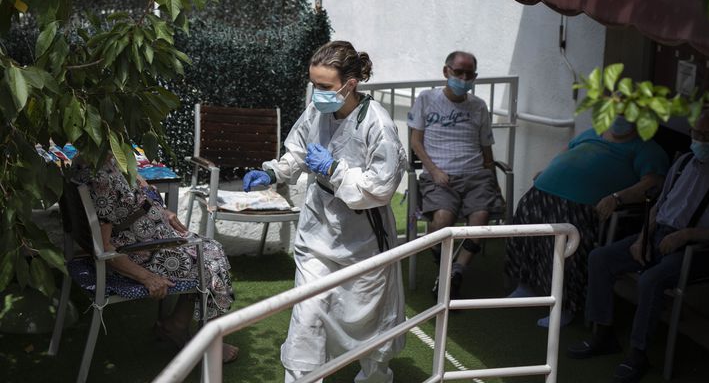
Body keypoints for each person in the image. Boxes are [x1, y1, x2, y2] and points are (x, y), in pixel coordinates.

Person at [243, 40, 407, 383]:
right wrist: (274, 172)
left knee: (368, 318)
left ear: (350, 83)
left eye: (325, 86)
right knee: (308, 313)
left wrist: (335, 170)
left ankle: (374, 376)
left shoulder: (377, 123)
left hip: (363, 237)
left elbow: (382, 186)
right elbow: (298, 150)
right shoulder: (317, 110)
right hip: (318, 230)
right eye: (313, 84)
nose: (317, 93)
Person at [568, 109, 709, 383]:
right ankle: (603, 333)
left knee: (651, 280)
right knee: (600, 257)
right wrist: (642, 238)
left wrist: (686, 234)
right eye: (697, 133)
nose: (701, 140)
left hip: (699, 249)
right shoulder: (683, 162)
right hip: (659, 235)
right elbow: (659, 206)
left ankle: (638, 353)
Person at [506, 115, 669, 327]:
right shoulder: (592, 133)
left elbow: (652, 184)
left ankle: (565, 305)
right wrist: (549, 169)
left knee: (565, 244)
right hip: (543, 193)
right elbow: (566, 152)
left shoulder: (647, 148)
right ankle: (526, 286)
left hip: (581, 206)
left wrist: (617, 197)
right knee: (526, 229)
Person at [74, 155, 239, 362]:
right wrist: (147, 278)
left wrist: (161, 209)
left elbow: (136, 178)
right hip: (136, 250)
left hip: (149, 236)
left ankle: (176, 325)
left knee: (209, 250)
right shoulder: (100, 178)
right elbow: (105, 249)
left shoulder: (102, 157)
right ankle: (209, 342)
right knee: (210, 263)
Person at [407, 50, 501, 298]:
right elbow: (416, 142)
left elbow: (486, 149)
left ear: (475, 77)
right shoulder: (426, 99)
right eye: (458, 72)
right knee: (441, 220)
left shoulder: (479, 106)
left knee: (480, 215)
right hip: (440, 175)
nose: (463, 78)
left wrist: (493, 179)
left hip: (475, 175)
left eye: (469, 74)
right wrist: (434, 170)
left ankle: (456, 271)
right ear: (446, 71)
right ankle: (445, 266)